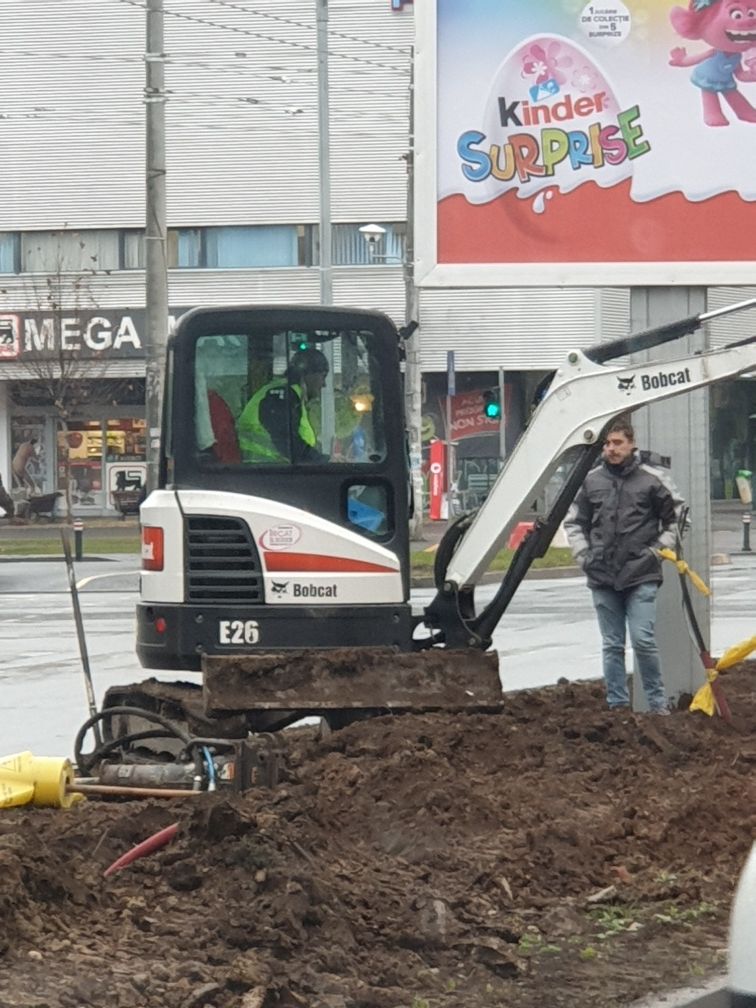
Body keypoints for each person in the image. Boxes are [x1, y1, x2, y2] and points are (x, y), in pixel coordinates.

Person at [564, 419, 684, 714]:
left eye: (617, 443)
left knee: (643, 639)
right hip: (602, 575)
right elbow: (574, 522)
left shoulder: (652, 479)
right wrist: (584, 557)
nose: (611, 449)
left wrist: (656, 553)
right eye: (607, 444)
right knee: (612, 644)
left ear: (631, 444)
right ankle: (617, 705)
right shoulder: (591, 481)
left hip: (641, 573)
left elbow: (678, 520)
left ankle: (657, 704)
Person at [236, 347, 330, 463]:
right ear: (308, 374)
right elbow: (288, 442)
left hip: (270, 470)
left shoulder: (289, 394)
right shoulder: (281, 396)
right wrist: (321, 460)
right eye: (323, 376)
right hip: (264, 471)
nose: (324, 384)